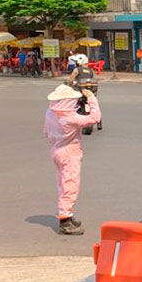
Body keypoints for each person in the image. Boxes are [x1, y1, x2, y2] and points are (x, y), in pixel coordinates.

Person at [44, 84, 101, 235]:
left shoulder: (50, 112)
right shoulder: (69, 118)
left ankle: (67, 214)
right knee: (70, 185)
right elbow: (95, 118)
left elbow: (46, 132)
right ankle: (65, 220)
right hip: (69, 152)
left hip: (56, 149)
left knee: (62, 183)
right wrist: (91, 98)